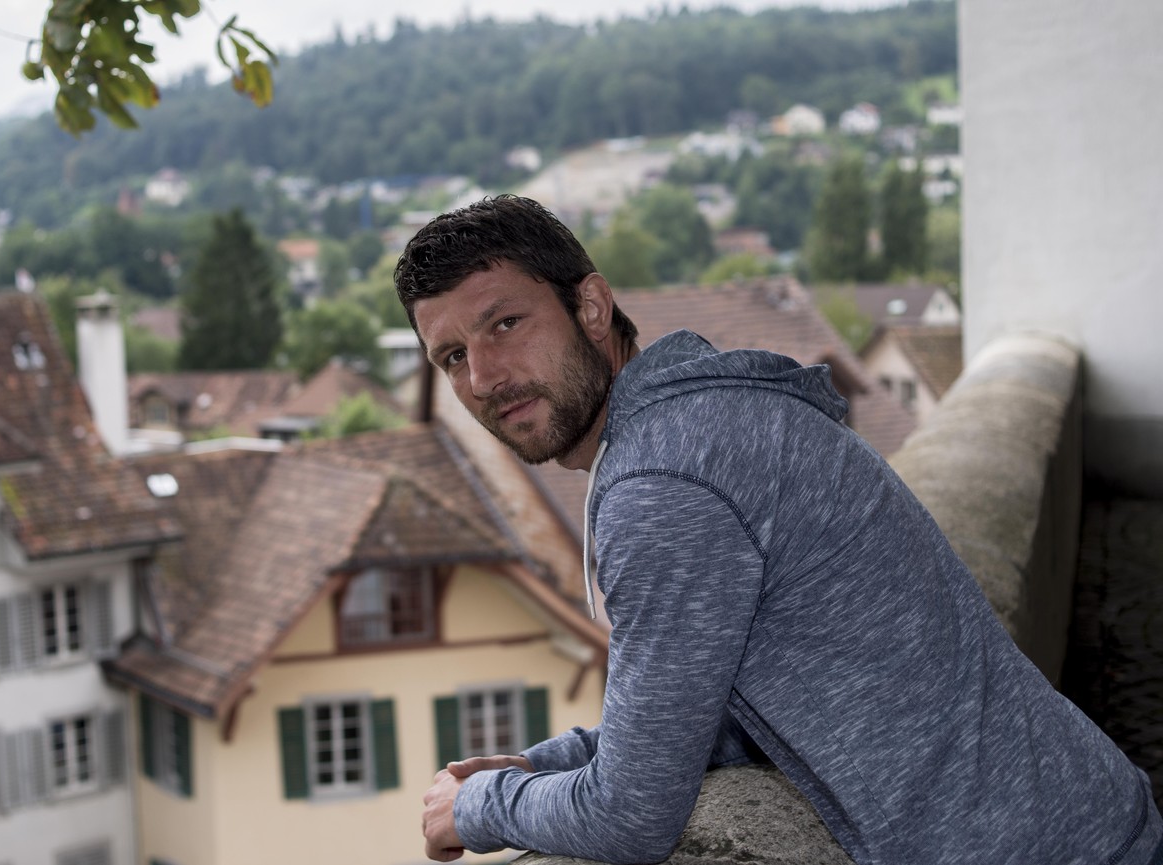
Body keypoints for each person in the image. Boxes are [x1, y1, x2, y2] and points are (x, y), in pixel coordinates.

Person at [394, 194, 1162, 865]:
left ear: (591, 307)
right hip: (1080, 813)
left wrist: (480, 807)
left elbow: (632, 816)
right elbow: (725, 710)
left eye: (505, 323)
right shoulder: (714, 409)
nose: (484, 377)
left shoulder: (661, 485)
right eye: (453, 355)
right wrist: (538, 764)